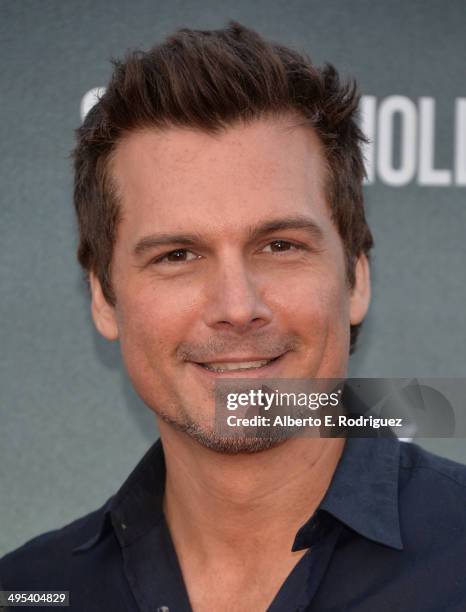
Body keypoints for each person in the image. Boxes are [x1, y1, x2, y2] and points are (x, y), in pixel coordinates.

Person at [1, 21, 465, 612]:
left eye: (280, 246)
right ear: (103, 297)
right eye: (178, 256)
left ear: (356, 278)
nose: (237, 307)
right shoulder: (30, 591)